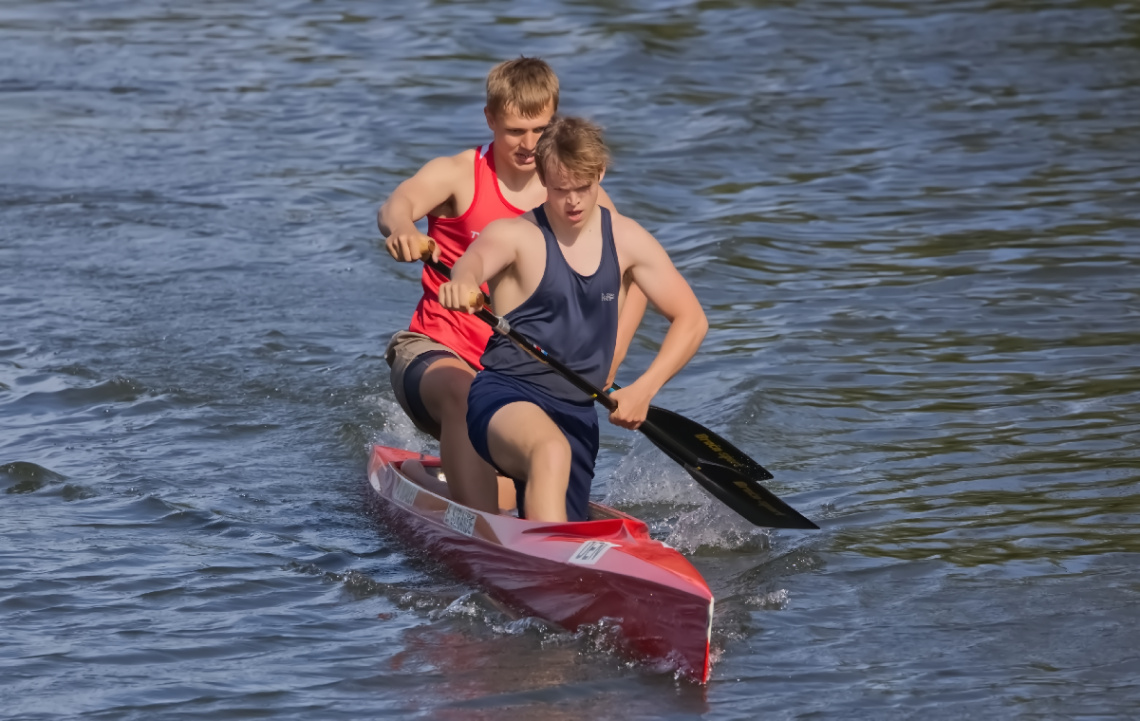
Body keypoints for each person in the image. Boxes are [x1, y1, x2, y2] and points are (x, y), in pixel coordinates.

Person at [377, 57, 646, 513]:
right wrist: (403, 228)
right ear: (490, 119)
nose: (527, 144)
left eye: (540, 130)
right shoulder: (459, 174)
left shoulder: (570, 191)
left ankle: (524, 516)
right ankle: (483, 533)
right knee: (463, 390)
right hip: (435, 355)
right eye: (514, 131)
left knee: (544, 459)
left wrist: (608, 362)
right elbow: (396, 204)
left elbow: (634, 277)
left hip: (523, 374)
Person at [438, 116, 708, 523]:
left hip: (578, 414)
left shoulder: (627, 237)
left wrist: (644, 389)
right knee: (550, 450)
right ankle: (548, 574)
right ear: (544, 179)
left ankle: (541, 541)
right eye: (561, 190)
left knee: (560, 484)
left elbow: (691, 319)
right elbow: (473, 261)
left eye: (583, 187)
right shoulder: (516, 235)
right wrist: (462, 282)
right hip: (506, 396)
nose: (574, 202)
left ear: (599, 173)